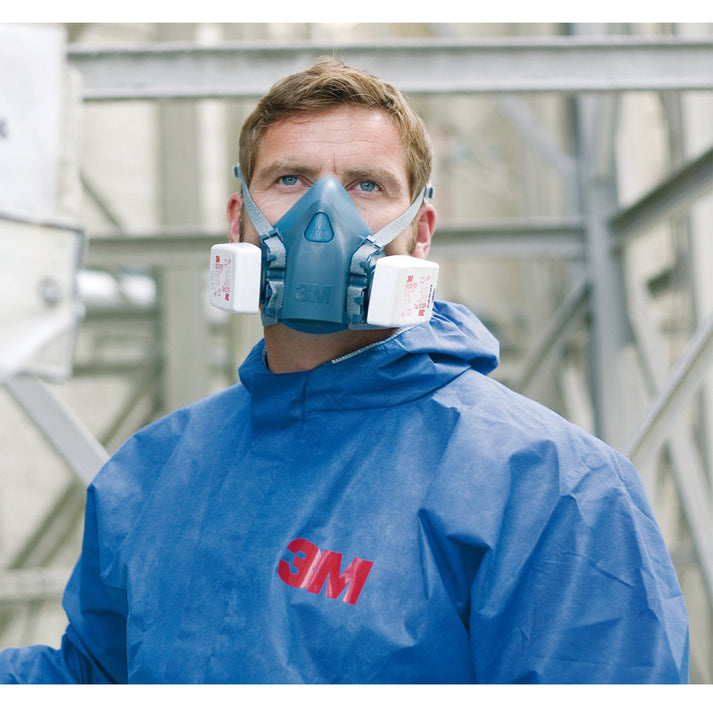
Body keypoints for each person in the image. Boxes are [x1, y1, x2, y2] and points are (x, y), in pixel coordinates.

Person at [0, 56, 689, 684]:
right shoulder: (152, 471)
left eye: (365, 185)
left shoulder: (552, 488)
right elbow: (95, 680)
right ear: (239, 221)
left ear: (420, 232)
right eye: (290, 179)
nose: (322, 218)